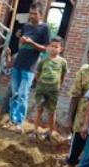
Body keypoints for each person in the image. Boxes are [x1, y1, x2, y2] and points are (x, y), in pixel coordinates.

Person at [9, 2, 51, 133]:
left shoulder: (45, 28)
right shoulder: (26, 26)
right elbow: (21, 42)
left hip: (30, 66)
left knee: (22, 95)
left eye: (35, 14)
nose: (32, 16)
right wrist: (21, 39)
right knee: (14, 93)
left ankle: (19, 123)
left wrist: (31, 42)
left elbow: (46, 49)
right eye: (31, 13)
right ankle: (12, 119)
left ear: (41, 14)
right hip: (18, 63)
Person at [32, 37, 68, 140]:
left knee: (51, 111)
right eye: (51, 46)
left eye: (56, 47)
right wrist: (40, 84)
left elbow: (63, 76)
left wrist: (58, 85)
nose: (53, 49)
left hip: (53, 91)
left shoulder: (63, 62)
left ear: (61, 49)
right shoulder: (43, 61)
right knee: (39, 108)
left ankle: (50, 132)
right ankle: (35, 130)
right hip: (41, 89)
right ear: (48, 47)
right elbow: (38, 74)